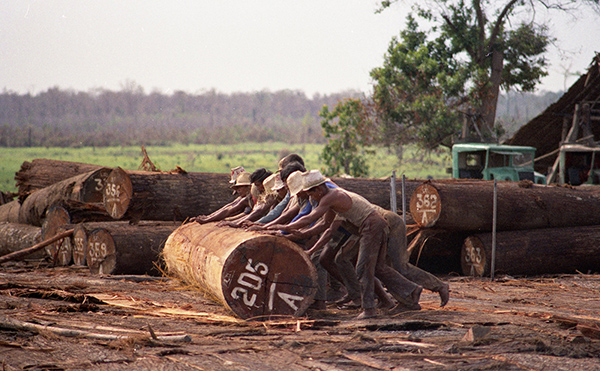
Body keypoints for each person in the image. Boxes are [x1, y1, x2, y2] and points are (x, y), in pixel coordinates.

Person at [269, 170, 421, 319]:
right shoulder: (331, 200)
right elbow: (324, 226)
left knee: (363, 269)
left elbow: (310, 218)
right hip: (371, 227)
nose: (310, 197)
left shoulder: (330, 197)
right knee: (378, 269)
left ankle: (369, 309)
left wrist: (285, 228)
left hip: (371, 226)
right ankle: (411, 291)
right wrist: (301, 234)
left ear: (319, 189)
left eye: (311, 193)